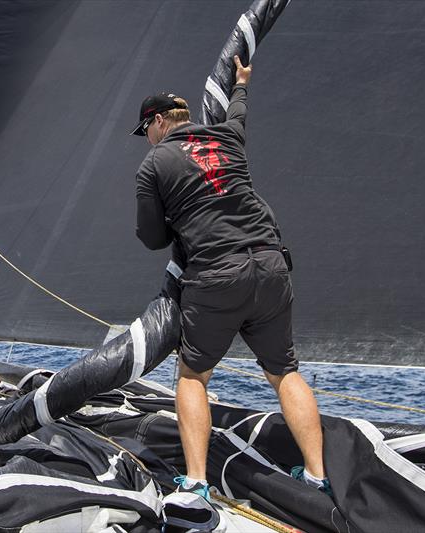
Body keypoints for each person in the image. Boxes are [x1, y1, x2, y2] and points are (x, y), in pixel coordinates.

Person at [131, 56, 330, 500]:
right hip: (272, 265)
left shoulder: (154, 165)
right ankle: (317, 475)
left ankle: (197, 481)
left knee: (192, 376)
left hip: (217, 276)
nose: (145, 139)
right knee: (284, 372)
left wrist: (173, 210)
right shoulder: (227, 137)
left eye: (145, 129)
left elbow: (151, 238)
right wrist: (241, 83)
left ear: (159, 121)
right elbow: (238, 112)